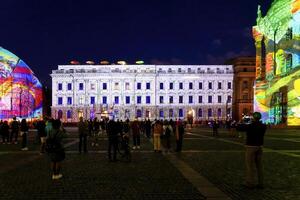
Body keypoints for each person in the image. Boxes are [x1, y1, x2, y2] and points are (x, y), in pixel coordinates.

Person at [237, 112, 267, 189]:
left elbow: (238, 127)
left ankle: (250, 183)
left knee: (250, 165)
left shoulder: (250, 126)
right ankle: (261, 183)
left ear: (253, 118)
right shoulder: (263, 126)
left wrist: (242, 120)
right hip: (260, 147)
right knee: (260, 166)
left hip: (250, 147)